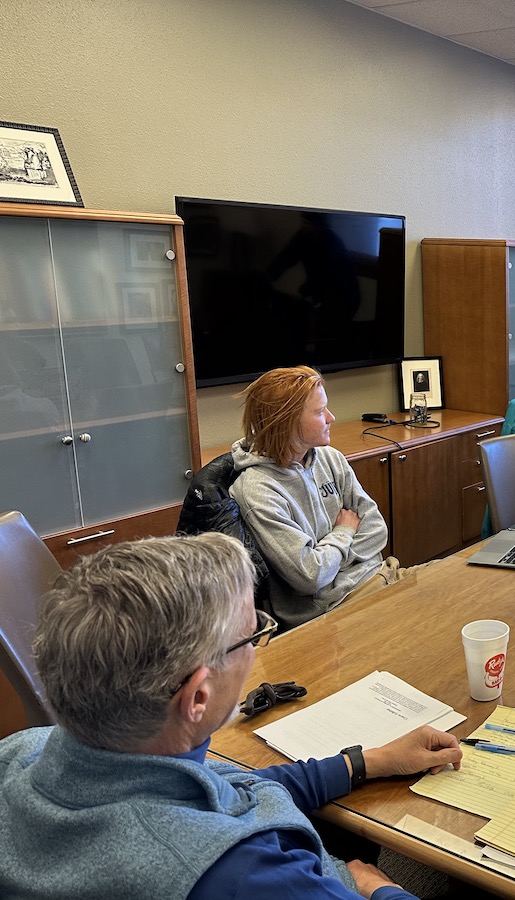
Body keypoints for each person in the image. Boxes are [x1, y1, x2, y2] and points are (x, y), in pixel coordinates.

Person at [0, 532, 463, 899]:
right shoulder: (244, 876)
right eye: (250, 636)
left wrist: (368, 761)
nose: (257, 649)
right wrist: (380, 888)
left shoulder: (27, 750)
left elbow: (231, 787)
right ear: (197, 698)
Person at [231, 365, 397, 631]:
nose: (331, 417)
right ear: (286, 421)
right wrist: (343, 532)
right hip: (334, 609)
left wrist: (329, 562)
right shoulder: (257, 490)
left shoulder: (331, 458)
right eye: (320, 412)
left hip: (380, 576)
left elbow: (377, 530)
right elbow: (310, 576)